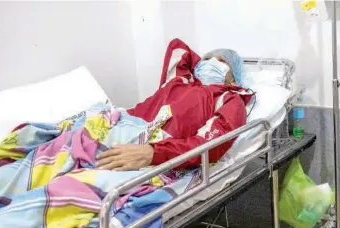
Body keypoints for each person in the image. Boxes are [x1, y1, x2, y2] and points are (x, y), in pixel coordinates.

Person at [96, 39, 254, 171]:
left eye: (221, 61)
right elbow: (178, 50)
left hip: (151, 149)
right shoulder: (179, 82)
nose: (211, 62)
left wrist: (153, 153)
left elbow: (209, 146)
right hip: (119, 127)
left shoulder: (229, 99)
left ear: (234, 79)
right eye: (207, 59)